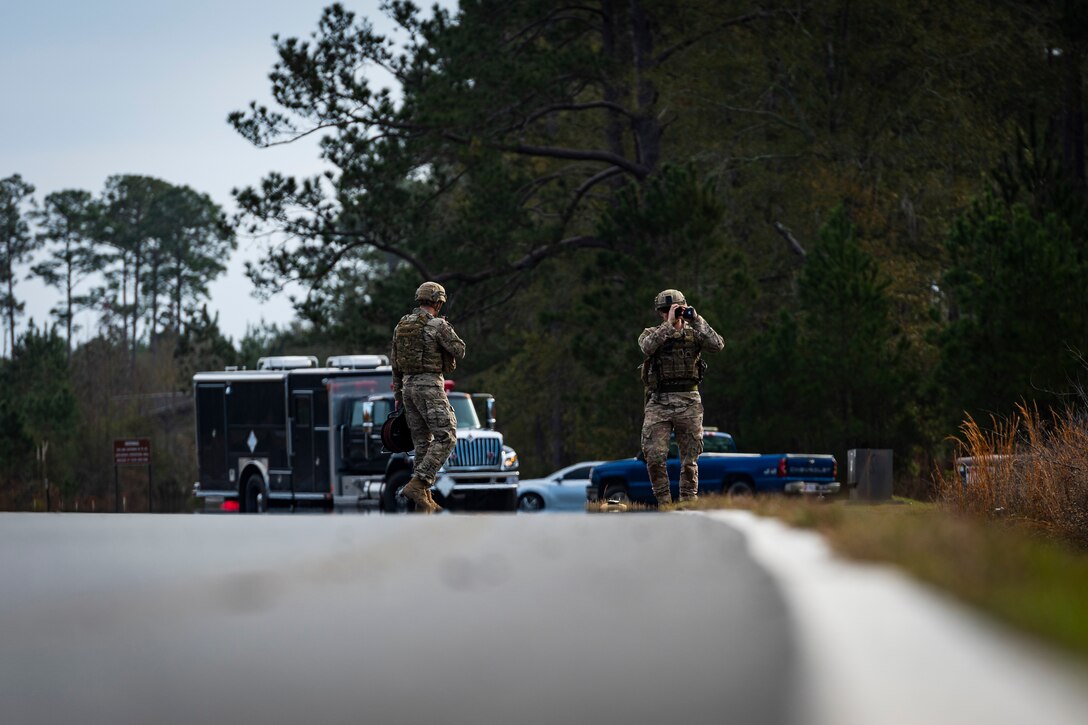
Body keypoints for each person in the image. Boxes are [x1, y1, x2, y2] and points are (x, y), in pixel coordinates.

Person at [638, 288, 724, 506]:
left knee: (689, 459)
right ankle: (664, 502)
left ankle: (688, 502)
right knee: (655, 456)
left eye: (674, 309)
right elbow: (647, 348)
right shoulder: (651, 333)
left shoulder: (695, 333)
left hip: (689, 401)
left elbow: (717, 345)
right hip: (659, 402)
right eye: (665, 310)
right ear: (660, 313)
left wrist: (696, 319)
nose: (671, 313)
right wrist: (668, 325)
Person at [391, 281, 466, 512]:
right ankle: (418, 484)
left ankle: (423, 504)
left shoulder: (401, 325)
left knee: (422, 444)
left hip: (408, 388)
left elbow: (395, 363)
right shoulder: (437, 325)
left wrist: (399, 395)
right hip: (429, 387)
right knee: (447, 436)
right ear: (438, 302)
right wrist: (447, 328)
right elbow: (459, 350)